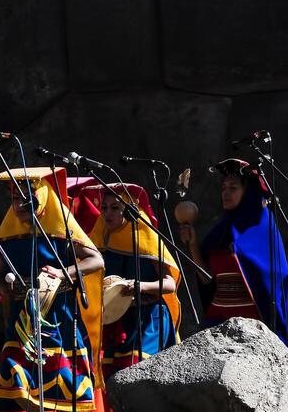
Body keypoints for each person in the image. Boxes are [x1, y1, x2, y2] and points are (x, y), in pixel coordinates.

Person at [0, 168, 105, 412]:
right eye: (14, 199)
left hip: (60, 317)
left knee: (66, 382)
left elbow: (95, 261)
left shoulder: (60, 227)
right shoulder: (7, 234)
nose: (19, 206)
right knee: (13, 374)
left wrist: (64, 274)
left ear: (41, 197)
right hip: (23, 319)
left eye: (26, 199)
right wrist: (7, 288)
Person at [180, 158, 288, 342]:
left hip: (254, 328)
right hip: (217, 323)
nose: (225, 193)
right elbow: (207, 279)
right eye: (223, 188)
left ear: (249, 192)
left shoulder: (264, 231)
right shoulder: (220, 231)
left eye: (233, 188)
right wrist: (193, 245)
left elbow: (272, 286)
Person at [90, 185, 180, 386]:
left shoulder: (146, 239)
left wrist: (141, 286)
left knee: (136, 379)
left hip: (149, 318)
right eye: (104, 208)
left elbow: (169, 284)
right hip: (116, 321)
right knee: (113, 383)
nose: (107, 213)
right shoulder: (99, 240)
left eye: (115, 208)